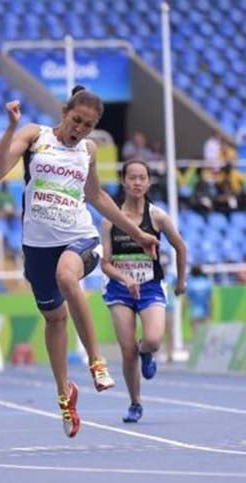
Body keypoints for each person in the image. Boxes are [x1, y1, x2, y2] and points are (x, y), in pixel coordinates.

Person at [0, 86, 159, 438]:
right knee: (54, 320)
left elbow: (96, 197)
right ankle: (64, 393)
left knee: (68, 277)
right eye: (77, 120)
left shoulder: (89, 150)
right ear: (65, 112)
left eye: (88, 125)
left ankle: (96, 361)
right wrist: (10, 127)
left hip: (79, 235)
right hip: (37, 245)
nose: (80, 129)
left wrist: (138, 234)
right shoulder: (36, 136)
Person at [100, 159, 187, 423]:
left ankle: (145, 351)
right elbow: (105, 263)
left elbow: (180, 248)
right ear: (123, 181)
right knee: (127, 351)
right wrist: (124, 278)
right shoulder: (110, 221)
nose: (137, 183)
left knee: (153, 340)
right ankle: (135, 403)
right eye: (132, 177)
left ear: (148, 182)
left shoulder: (157, 217)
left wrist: (181, 281)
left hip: (150, 287)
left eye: (142, 178)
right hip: (120, 290)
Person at [185, 265, 213, 337]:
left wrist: (184, 311)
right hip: (205, 312)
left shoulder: (190, 283)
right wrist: (210, 312)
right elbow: (210, 300)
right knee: (205, 335)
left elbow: (187, 300)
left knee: (196, 335)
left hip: (194, 313)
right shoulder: (207, 282)